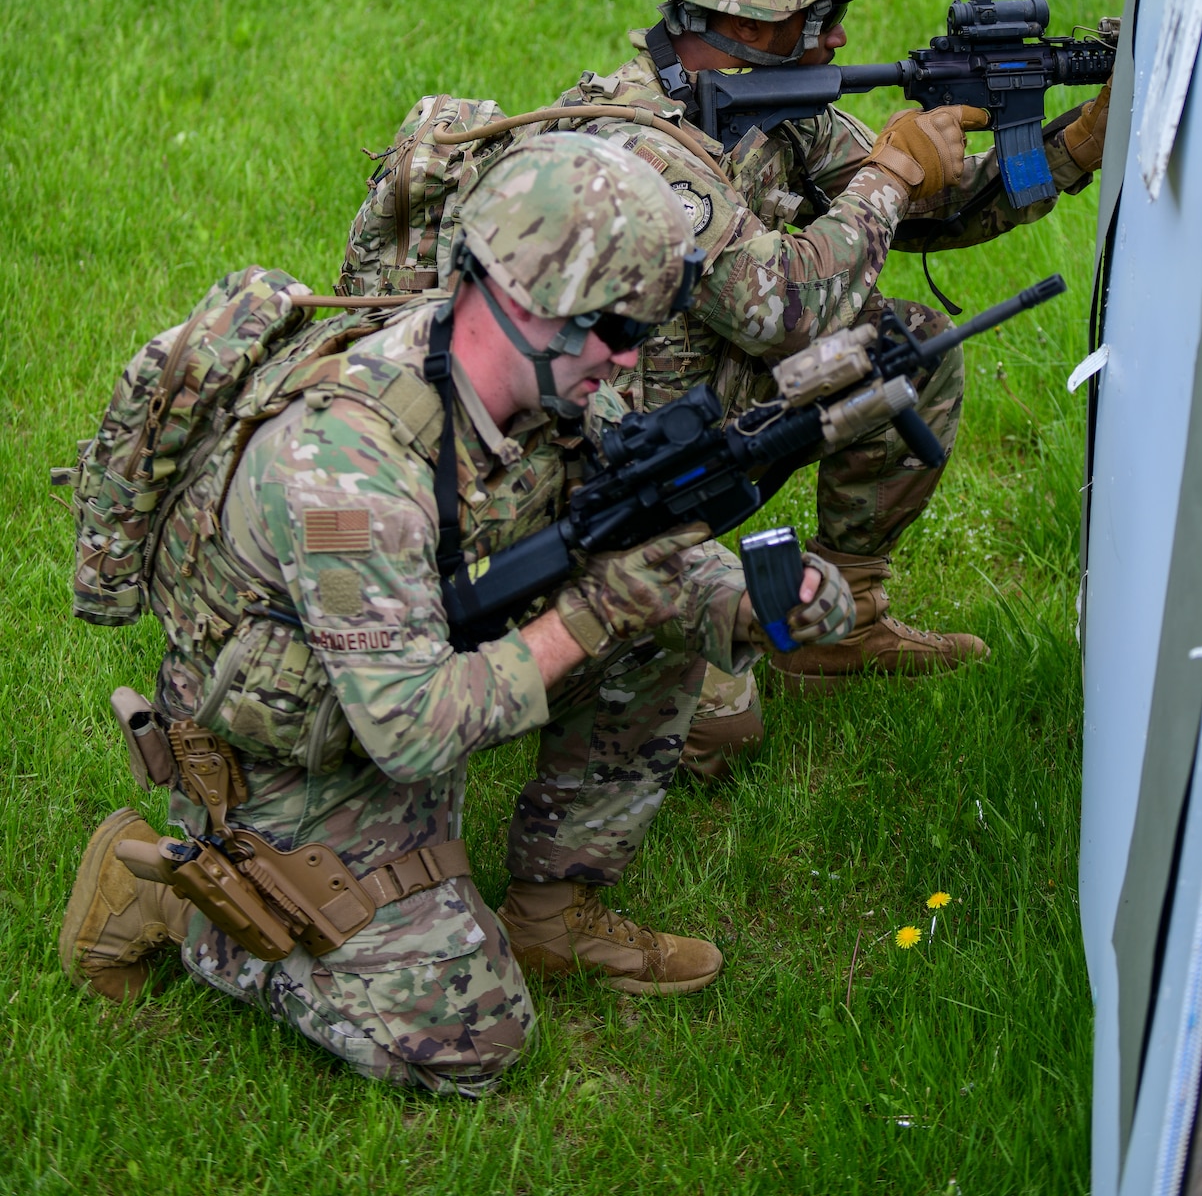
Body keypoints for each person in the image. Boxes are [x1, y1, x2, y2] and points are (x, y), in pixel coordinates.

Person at [59, 132, 856, 1094]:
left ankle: (555, 909)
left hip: (419, 655)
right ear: (532, 308)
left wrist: (754, 600)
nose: (630, 358)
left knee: (653, 617)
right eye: (618, 330)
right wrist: (590, 617)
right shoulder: (345, 473)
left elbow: (634, 549)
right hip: (305, 747)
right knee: (470, 1044)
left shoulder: (549, 385)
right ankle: (178, 905)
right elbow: (407, 732)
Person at [337, 0, 1111, 780]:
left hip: (699, 412)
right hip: (602, 475)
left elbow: (913, 219)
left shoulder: (774, 106)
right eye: (823, 16)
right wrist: (892, 176)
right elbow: (786, 309)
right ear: (763, 18)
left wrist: (1073, 144)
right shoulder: (649, 154)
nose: (840, 38)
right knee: (716, 742)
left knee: (908, 343)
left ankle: (845, 622)